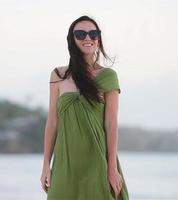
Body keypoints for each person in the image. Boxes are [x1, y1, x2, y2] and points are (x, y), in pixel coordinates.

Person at [40, 15, 129, 200]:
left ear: (98, 38)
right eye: (80, 34)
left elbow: (111, 124)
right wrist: (45, 165)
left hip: (97, 160)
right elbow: (52, 122)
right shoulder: (58, 75)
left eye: (93, 33)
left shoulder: (108, 76)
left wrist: (111, 168)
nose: (87, 38)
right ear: (71, 40)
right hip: (66, 161)